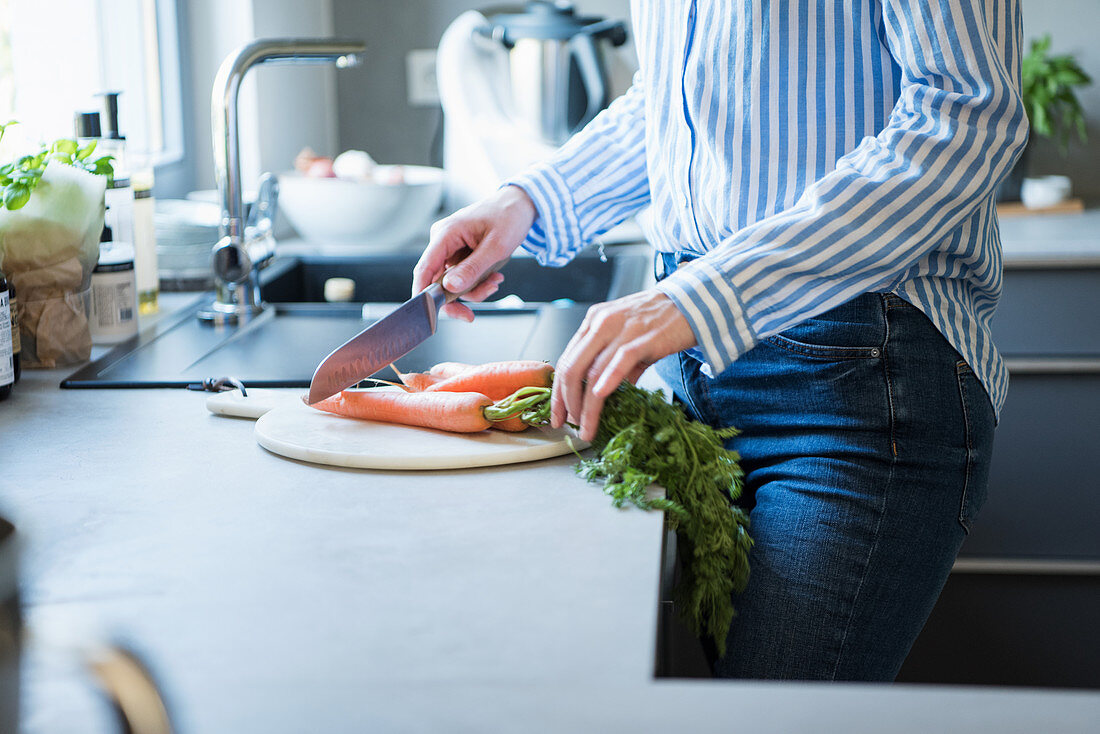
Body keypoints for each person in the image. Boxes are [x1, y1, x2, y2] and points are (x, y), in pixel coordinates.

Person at [413, 0, 1028, 680]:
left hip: (855, 388)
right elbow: (674, 99)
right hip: (698, 383)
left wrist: (705, 296)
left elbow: (967, 114)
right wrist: (529, 202)